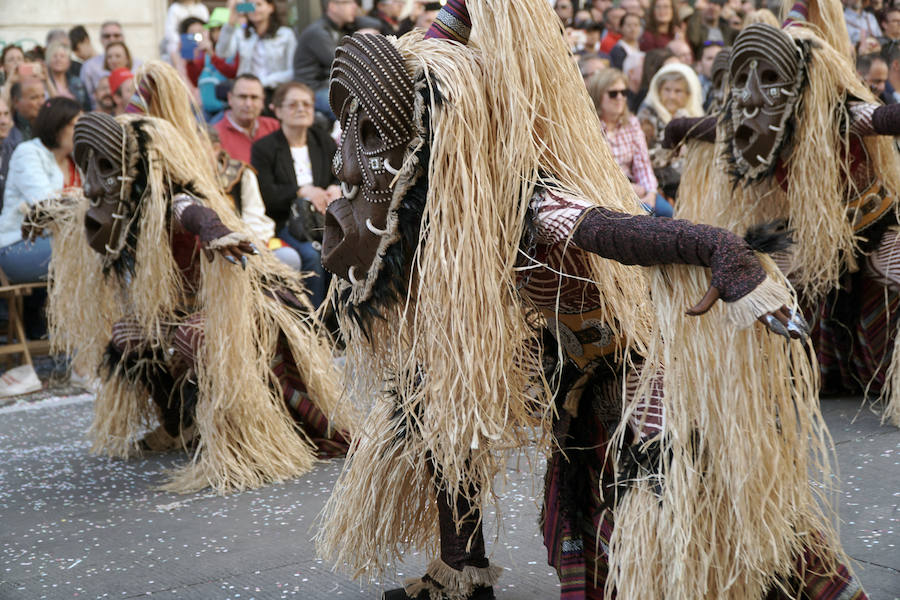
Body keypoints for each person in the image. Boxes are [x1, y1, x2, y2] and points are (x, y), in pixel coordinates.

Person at [315, 4, 860, 600]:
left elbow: (621, 233)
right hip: (562, 380)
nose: (345, 161)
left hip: (625, 383)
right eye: (350, 130)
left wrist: (722, 250)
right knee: (431, 401)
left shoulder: (528, 203)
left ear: (439, 137)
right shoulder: (441, 223)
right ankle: (460, 570)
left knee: (695, 528)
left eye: (370, 136)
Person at [26, 61, 353, 492]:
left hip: (237, 312)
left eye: (105, 168)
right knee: (128, 336)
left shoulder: (173, 201)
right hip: (174, 315)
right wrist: (45, 214)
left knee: (193, 337)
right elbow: (79, 209)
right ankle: (179, 423)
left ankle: (236, 434)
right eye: (91, 169)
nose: (93, 184)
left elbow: (195, 213)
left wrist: (216, 233)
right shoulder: (122, 208)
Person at [668, 0, 900, 427]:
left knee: (893, 275)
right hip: (814, 232)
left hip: (873, 220)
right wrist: (679, 128)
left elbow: (883, 118)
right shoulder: (756, 123)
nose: (759, 92)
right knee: (771, 285)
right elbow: (721, 129)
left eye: (774, 77)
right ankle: (780, 380)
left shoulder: (842, 114)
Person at [0, 97, 82, 397]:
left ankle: (86, 358)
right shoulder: (28, 152)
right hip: (17, 248)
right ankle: (80, 364)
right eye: (75, 125)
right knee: (88, 258)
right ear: (57, 126)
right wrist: (80, 201)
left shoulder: (77, 160)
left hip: (61, 246)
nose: (80, 131)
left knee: (101, 255)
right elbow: (46, 205)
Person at [251, 82, 338, 308]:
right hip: (287, 224)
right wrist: (302, 191)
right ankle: (313, 324)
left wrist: (336, 187)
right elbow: (266, 195)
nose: (302, 109)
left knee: (344, 251)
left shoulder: (324, 141)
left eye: (307, 104)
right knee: (311, 255)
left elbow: (341, 174)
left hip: (325, 221)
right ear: (277, 110)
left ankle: (341, 321)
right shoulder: (264, 148)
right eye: (293, 104)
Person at [207, 125, 302, 271]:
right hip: (207, 247)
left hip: (246, 239)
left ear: (215, 148)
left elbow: (254, 215)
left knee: (289, 258)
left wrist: (246, 243)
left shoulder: (241, 173)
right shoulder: (182, 178)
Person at [588, 68, 671, 216]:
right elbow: (594, 175)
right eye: (613, 94)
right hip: (605, 193)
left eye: (624, 93)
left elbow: (643, 164)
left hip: (636, 187)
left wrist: (650, 193)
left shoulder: (631, 123)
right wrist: (629, 189)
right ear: (598, 95)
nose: (620, 97)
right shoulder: (589, 127)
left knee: (666, 212)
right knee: (644, 219)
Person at [215, 0, 296, 109]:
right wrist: (230, 22)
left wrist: (262, 82)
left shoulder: (285, 34)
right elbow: (222, 53)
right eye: (250, 5)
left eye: (259, 4)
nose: (255, 9)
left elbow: (292, 71)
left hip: (274, 91)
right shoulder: (241, 33)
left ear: (270, 7)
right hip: (245, 90)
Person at [638, 62, 703, 197]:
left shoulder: (693, 117)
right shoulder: (648, 118)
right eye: (667, 90)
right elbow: (643, 157)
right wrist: (674, 153)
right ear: (658, 91)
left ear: (688, 94)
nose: (671, 96)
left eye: (678, 91)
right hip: (664, 184)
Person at [294, 0, 359, 120]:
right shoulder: (318, 32)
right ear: (332, 6)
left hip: (328, 85)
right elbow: (341, 63)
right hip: (313, 88)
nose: (355, 6)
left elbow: (373, 22)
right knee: (354, 113)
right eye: (348, 2)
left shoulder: (340, 28)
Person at [184, 13, 239, 121]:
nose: (216, 34)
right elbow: (196, 80)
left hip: (226, 108)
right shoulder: (206, 52)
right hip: (206, 108)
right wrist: (190, 63)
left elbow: (231, 72)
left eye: (220, 29)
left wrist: (212, 55)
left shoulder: (235, 51)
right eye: (213, 30)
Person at [213, 74, 279, 163]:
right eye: (242, 97)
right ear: (230, 99)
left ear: (263, 101)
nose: (248, 104)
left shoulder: (274, 127)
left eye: (254, 97)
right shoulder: (215, 134)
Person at [80, 21, 142, 103]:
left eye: (116, 35)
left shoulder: (139, 65)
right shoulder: (89, 66)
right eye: (107, 36)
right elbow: (87, 95)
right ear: (101, 39)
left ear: (123, 37)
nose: (112, 39)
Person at [162, 0, 210, 67]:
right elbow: (170, 30)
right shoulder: (174, 8)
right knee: (173, 47)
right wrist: (180, 41)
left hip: (198, 39)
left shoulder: (201, 8)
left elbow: (206, 27)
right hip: (180, 40)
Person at [45, 41, 90, 111]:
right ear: (48, 60)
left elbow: (86, 106)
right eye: (54, 56)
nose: (58, 59)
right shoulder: (44, 83)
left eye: (62, 56)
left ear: (68, 62)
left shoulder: (77, 82)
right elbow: (50, 105)